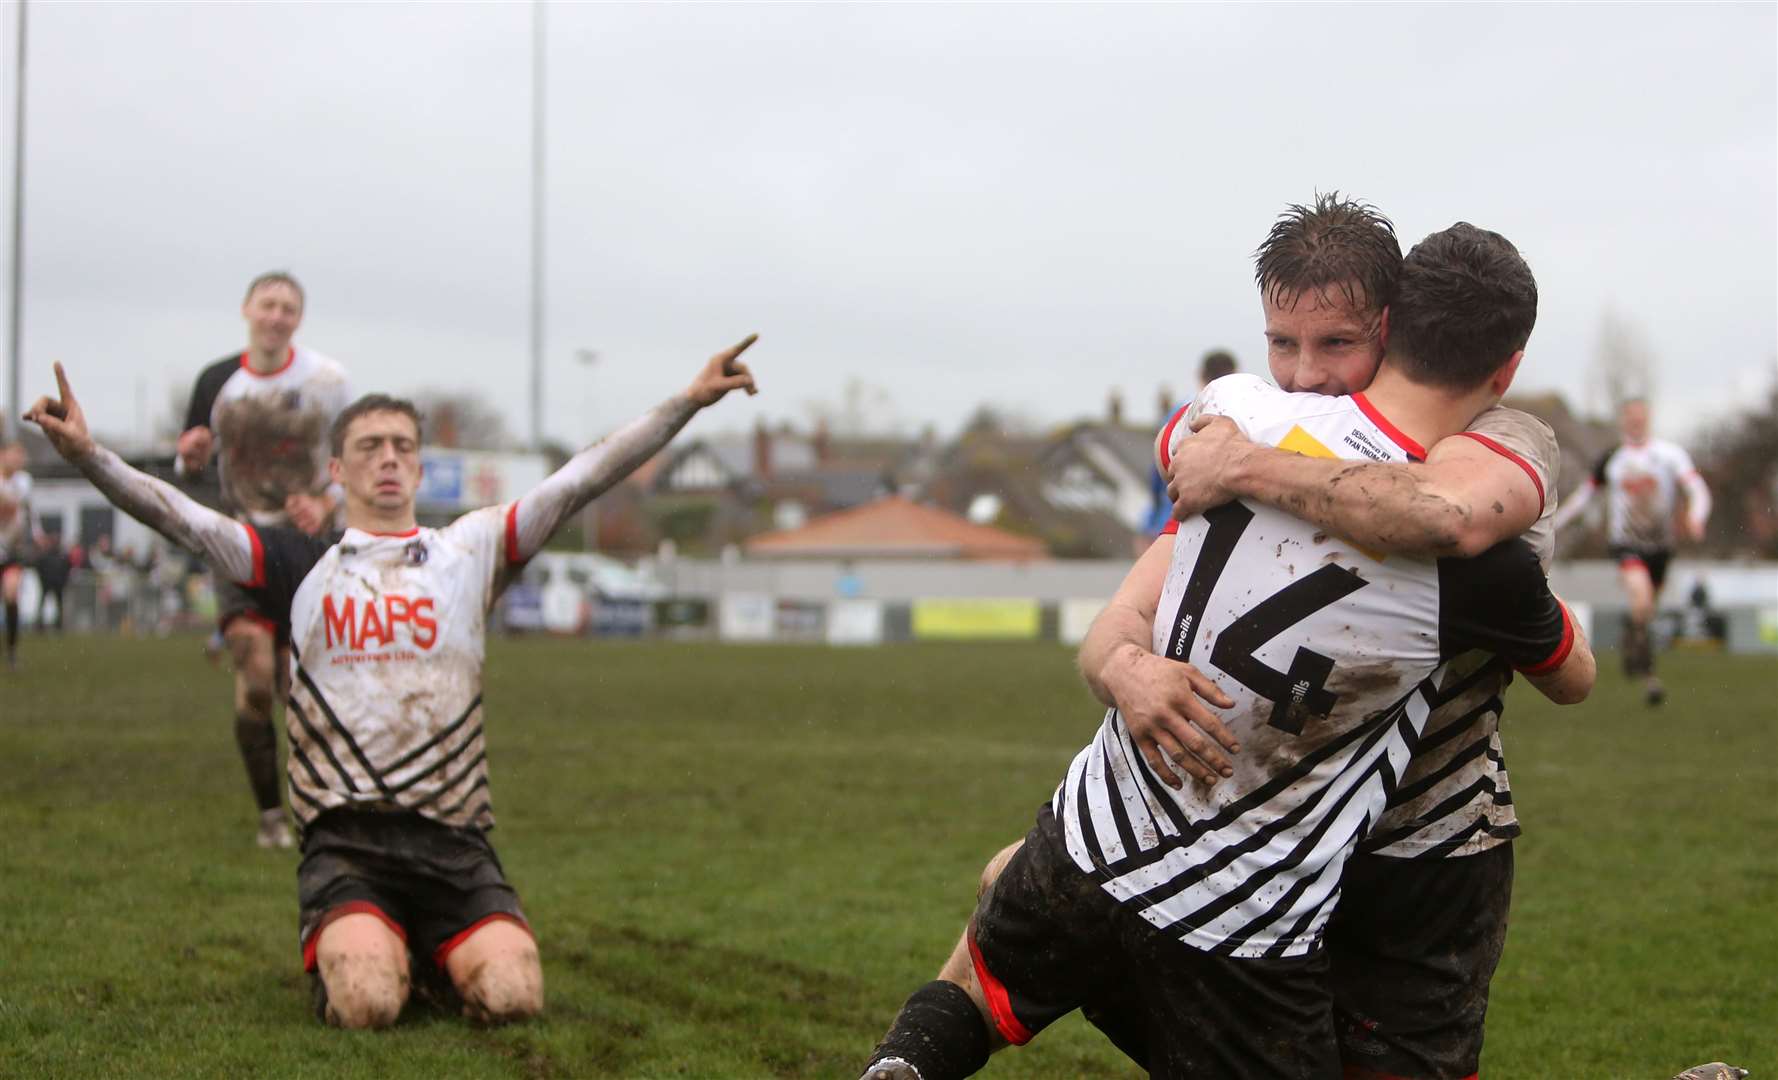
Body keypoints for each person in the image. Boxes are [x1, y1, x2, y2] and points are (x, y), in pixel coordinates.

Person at [861, 224, 1593, 1079]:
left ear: (1391, 329)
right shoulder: (1473, 567)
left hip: (1375, 836)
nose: (1308, 372)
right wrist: (1125, 668)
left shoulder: (1230, 419)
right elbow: (1570, 670)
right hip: (1249, 894)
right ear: (1506, 364)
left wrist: (1243, 460)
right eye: (1285, 343)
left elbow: (1441, 510)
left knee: (993, 972)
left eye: (1335, 344)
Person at [24, 334, 758, 1029]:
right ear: (336, 470)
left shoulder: (470, 551)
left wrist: (686, 402)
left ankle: (423, 952)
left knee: (514, 997)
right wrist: (90, 456)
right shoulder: (296, 562)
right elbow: (181, 518)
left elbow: (581, 479)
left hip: (454, 843)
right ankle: (364, 952)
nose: (388, 459)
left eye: (402, 447)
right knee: (369, 1005)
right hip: (348, 844)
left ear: (419, 466)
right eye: (368, 447)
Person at [177, 271, 352, 849]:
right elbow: (189, 465)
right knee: (255, 677)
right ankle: (270, 815)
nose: (277, 316)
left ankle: (318, 807)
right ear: (247, 308)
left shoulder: (328, 381)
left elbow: (353, 458)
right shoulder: (216, 381)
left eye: (289, 308)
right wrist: (191, 458)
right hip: (241, 543)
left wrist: (326, 502)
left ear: (298, 319)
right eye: (268, 304)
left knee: (298, 688)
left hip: (307, 550)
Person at [1550, 398, 1711, 705]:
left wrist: (1696, 516)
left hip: (1661, 547)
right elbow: (1585, 497)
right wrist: (1555, 522)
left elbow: (1697, 489)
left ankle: (1633, 641)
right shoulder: (1613, 459)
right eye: (1630, 417)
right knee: (1641, 600)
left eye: (1640, 416)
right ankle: (1648, 675)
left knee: (1646, 611)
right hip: (1627, 545)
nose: (1635, 422)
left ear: (1648, 419)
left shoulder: (1669, 455)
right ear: (1623, 421)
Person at [0, 442, 32, 668]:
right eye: (15, 455)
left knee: (11, 593)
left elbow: (11, 505)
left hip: (13, 550)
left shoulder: (24, 481)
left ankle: (11, 651)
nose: (19, 460)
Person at [33, 530, 70, 633]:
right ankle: (40, 625)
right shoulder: (47, 555)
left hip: (57, 584)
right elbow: (39, 568)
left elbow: (67, 569)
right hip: (47, 583)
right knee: (43, 604)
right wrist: (42, 579)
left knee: (58, 605)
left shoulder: (61, 555)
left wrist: (63, 580)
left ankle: (58, 625)